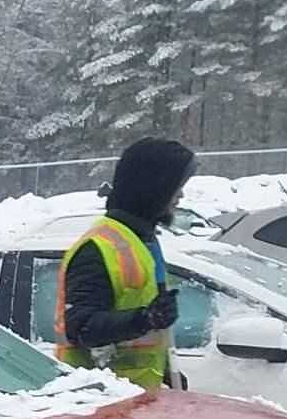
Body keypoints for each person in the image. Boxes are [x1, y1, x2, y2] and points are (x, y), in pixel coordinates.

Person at [56, 136, 196, 389]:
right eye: (177, 185)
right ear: (156, 187)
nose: (181, 194)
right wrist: (144, 319)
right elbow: (80, 327)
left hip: (136, 403)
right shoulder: (98, 248)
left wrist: (165, 372)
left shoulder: (143, 241)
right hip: (101, 404)